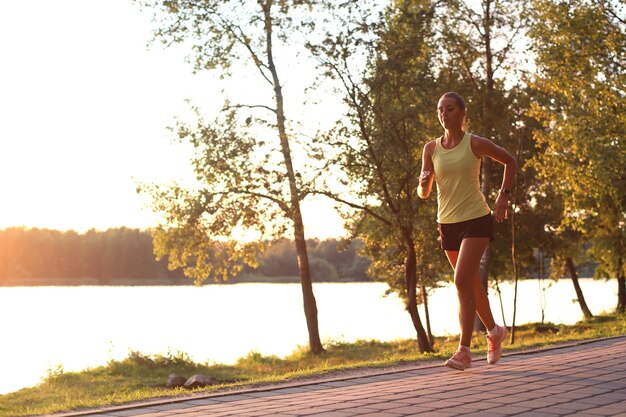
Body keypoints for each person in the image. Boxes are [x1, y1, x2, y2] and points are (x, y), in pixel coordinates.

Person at [417, 91, 517, 371]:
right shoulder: (431, 148)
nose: (443, 114)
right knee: (472, 283)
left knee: (461, 280)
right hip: (447, 223)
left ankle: (464, 349)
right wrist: (423, 182)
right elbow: (424, 193)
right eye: (440, 109)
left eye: (449, 109)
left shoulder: (475, 143)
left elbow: (510, 160)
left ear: (461, 112)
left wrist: (504, 195)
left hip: (476, 218)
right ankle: (495, 332)